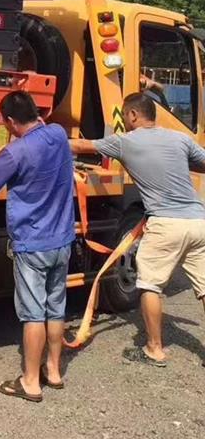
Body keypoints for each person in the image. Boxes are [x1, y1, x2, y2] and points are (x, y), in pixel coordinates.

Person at [70, 91, 205, 366]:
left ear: (132, 115)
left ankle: (154, 349)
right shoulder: (179, 139)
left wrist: (45, 136)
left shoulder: (124, 142)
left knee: (149, 285)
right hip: (198, 221)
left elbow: (82, 146)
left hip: (165, 224)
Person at [0, 91, 76, 402]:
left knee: (33, 313)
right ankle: (54, 371)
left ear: (9, 121)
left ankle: (30, 382)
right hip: (62, 239)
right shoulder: (58, 135)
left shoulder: (16, 153)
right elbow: (44, 129)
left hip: (33, 244)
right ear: (36, 111)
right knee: (55, 308)